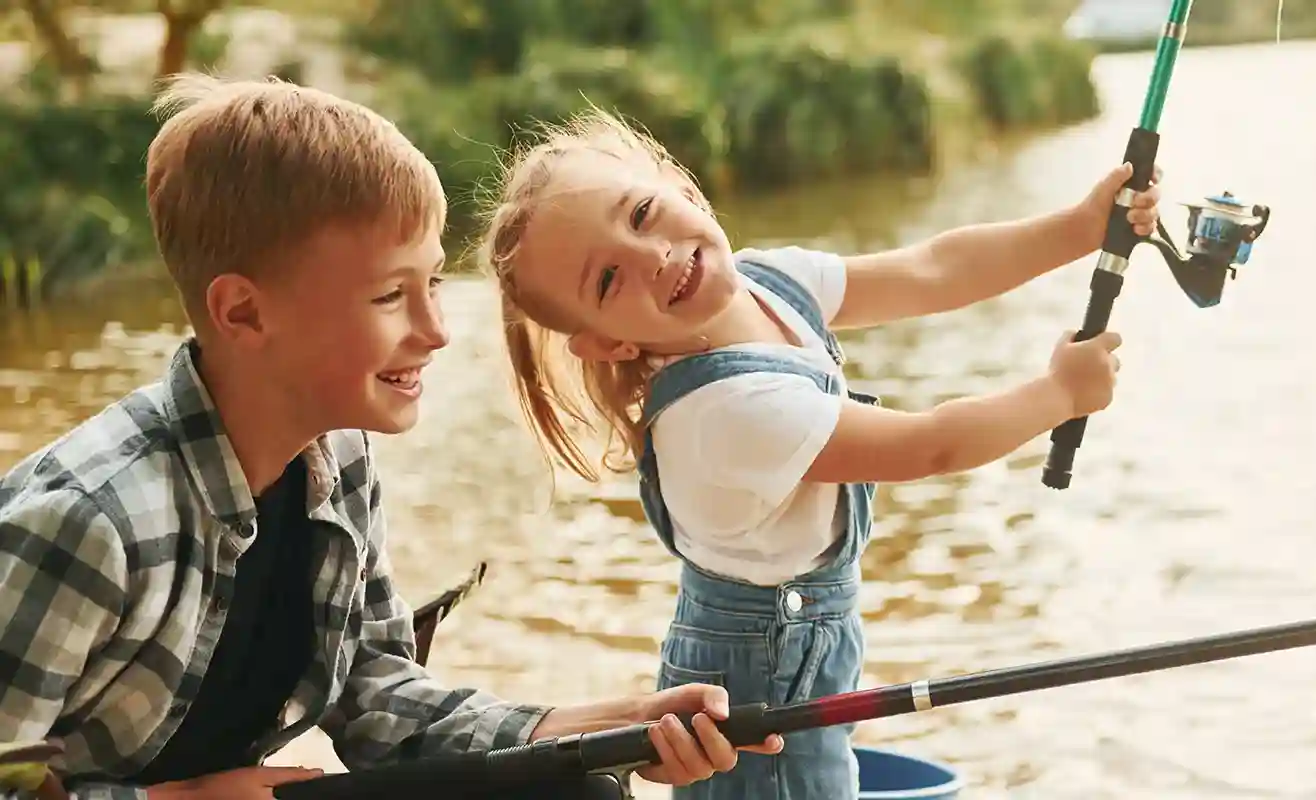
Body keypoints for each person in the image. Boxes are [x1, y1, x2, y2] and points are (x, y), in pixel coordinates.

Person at [0, 75, 780, 800]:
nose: (436, 331)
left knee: (569, 788)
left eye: (433, 281)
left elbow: (374, 693)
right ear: (242, 314)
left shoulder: (336, 456)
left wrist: (598, 728)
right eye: (389, 296)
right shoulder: (89, 523)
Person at [474, 106, 1157, 799]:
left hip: (803, 654)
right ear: (610, 343)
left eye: (643, 213)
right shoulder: (724, 415)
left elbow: (932, 270)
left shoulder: (767, 281)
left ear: (678, 185)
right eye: (608, 279)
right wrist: (1057, 395)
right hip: (756, 694)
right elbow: (930, 446)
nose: (653, 256)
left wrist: (1079, 228)